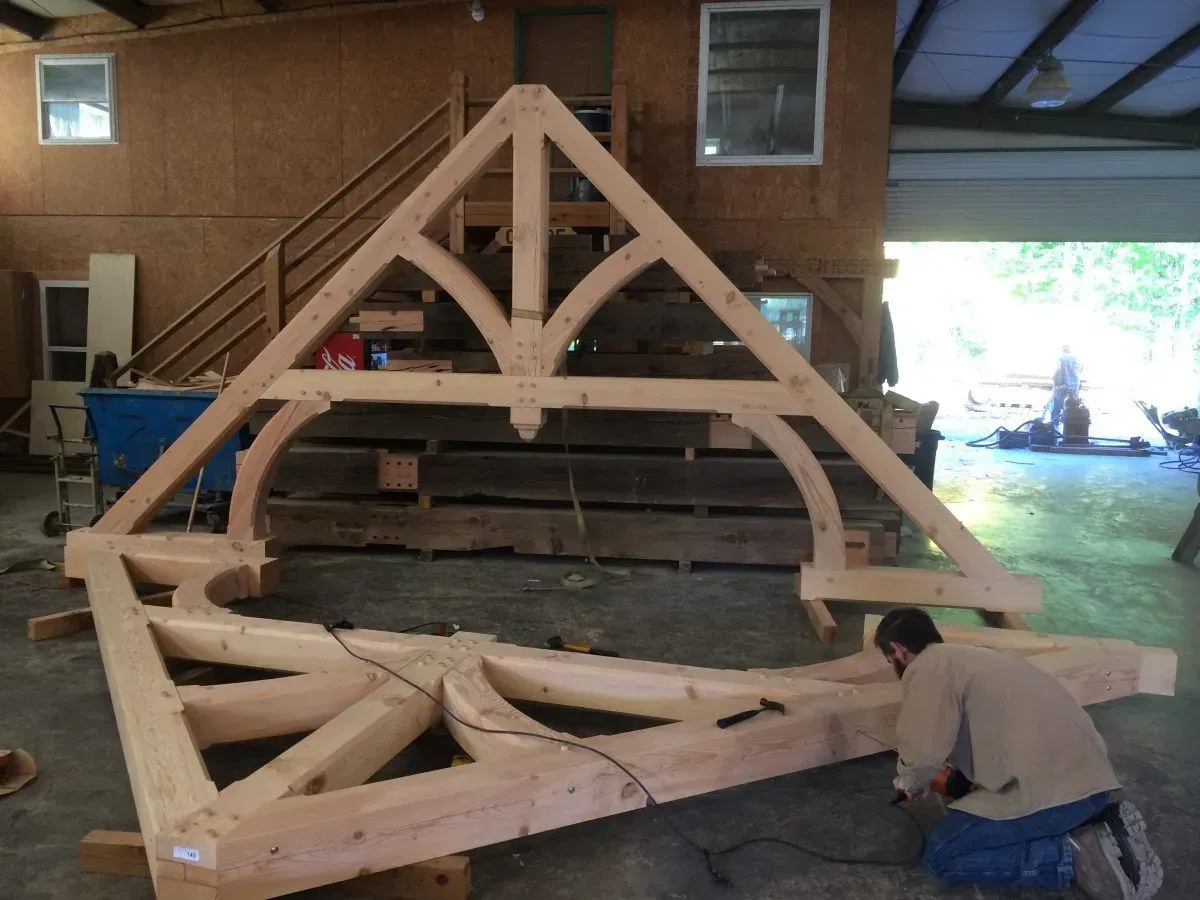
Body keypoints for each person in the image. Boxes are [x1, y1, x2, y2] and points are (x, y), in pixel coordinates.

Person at [875, 607, 1162, 899]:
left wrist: (909, 781)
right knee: (975, 804)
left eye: (890, 661)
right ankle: (1100, 827)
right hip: (1092, 785)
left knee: (942, 853)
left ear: (898, 650)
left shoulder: (926, 667)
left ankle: (1075, 855)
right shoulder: (981, 658)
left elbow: (921, 753)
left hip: (1057, 799)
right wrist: (945, 780)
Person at [1051, 344, 1082, 423]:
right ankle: (1069, 426)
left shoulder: (1061, 357)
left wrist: (1056, 386)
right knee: (1071, 407)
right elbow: (1080, 370)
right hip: (1074, 386)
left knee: (1056, 407)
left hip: (1062, 386)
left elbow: (1058, 372)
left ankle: (1054, 424)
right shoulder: (1076, 358)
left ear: (1062, 349)